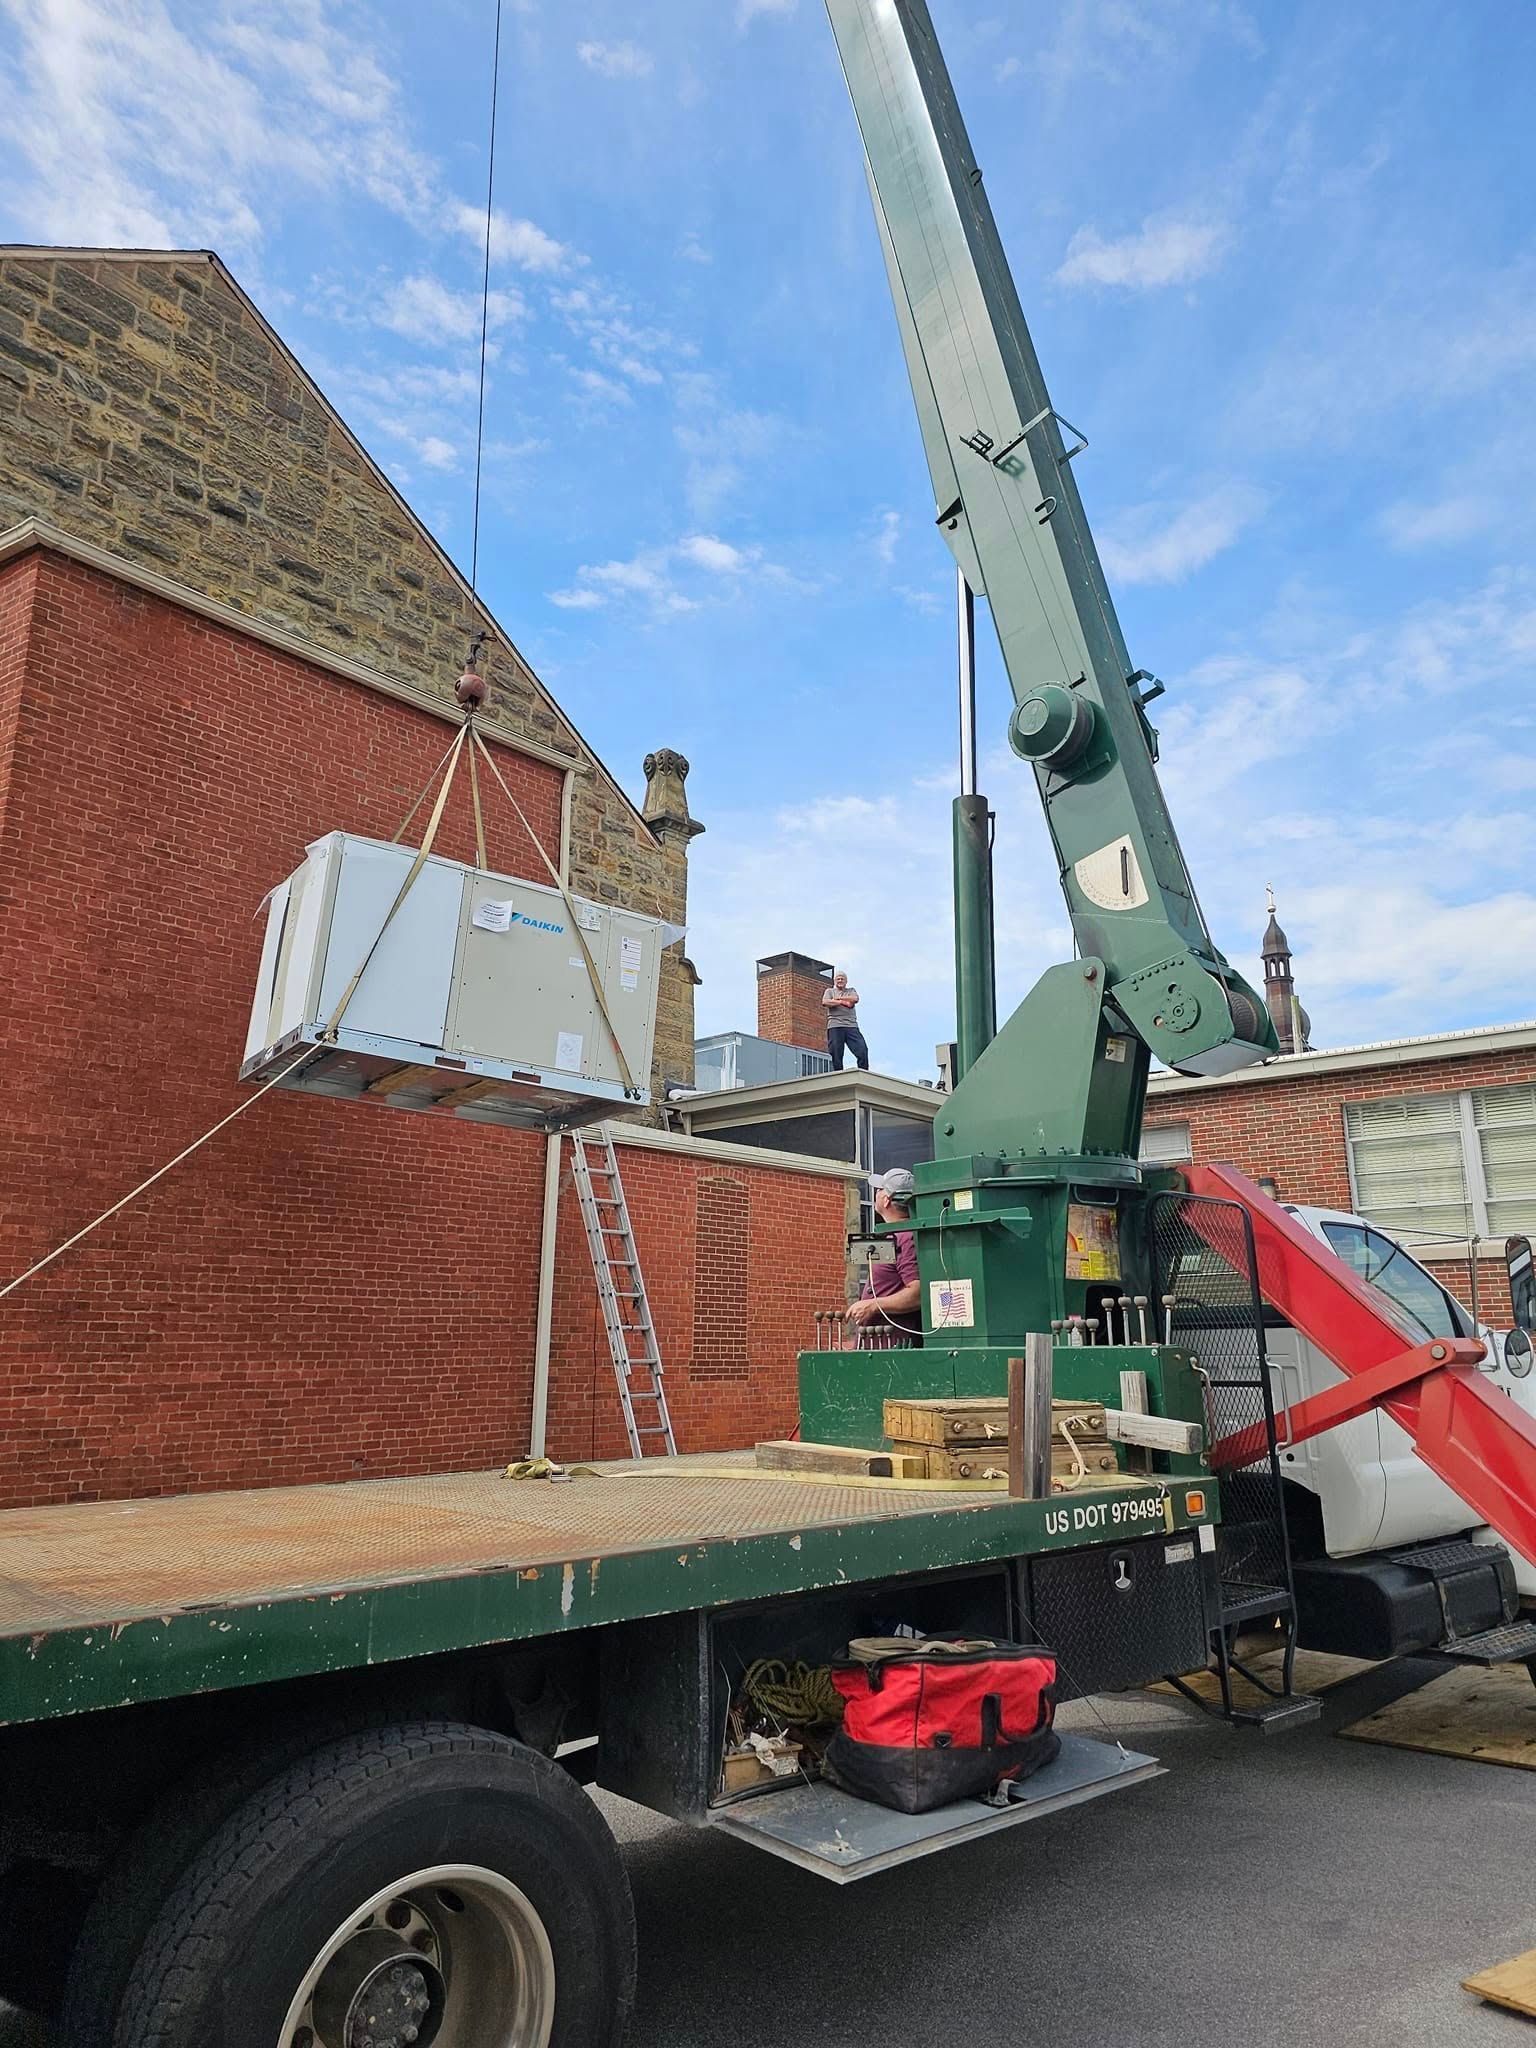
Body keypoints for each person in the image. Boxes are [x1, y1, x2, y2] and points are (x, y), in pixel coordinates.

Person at [846, 1168, 922, 1344]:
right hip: (879, 1344)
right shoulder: (895, 1236)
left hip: (893, 1347)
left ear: (886, 1199)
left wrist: (873, 1305)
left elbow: (917, 1293)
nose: (876, 1193)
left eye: (879, 1190)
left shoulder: (906, 1238)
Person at [822, 970, 869, 1071]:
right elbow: (825, 1002)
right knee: (836, 1052)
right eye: (838, 979)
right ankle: (838, 1073)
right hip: (835, 1025)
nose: (840, 980)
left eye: (842, 979)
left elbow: (855, 999)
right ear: (834, 981)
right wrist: (842, 1002)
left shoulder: (851, 990)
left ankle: (864, 1072)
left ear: (846, 981)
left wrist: (837, 998)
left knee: (862, 1049)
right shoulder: (829, 991)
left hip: (851, 1026)